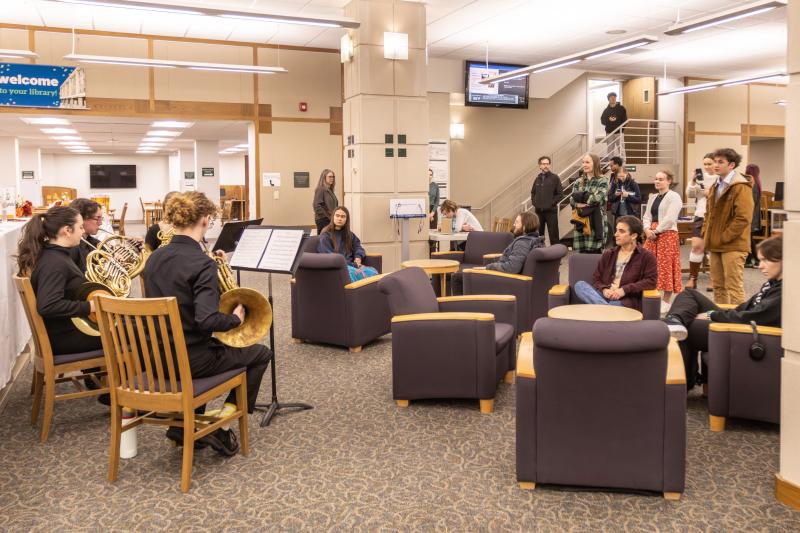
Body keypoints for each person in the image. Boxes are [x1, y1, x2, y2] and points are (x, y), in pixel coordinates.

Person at [144, 191, 272, 455]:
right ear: (203, 220)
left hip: (156, 359)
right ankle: (221, 426)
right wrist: (234, 319)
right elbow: (206, 320)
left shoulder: (154, 257)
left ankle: (182, 426)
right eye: (210, 220)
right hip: (189, 362)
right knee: (260, 354)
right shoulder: (201, 263)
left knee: (207, 345)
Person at [663, 235, 782, 389]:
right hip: (741, 324)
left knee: (687, 328)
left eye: (766, 260)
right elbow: (746, 308)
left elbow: (753, 317)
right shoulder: (773, 284)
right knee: (689, 295)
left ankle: (683, 383)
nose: (760, 266)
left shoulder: (782, 291)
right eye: (760, 260)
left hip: (745, 333)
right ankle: (674, 319)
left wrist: (712, 314)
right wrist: (718, 313)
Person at [16, 206, 101, 356]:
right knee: (142, 329)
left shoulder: (55, 255)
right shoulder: (55, 263)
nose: (83, 231)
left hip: (70, 330)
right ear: (67, 230)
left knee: (135, 323)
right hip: (67, 337)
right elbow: (48, 306)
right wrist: (90, 306)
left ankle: (101, 377)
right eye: (80, 227)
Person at [702, 148, 754, 305]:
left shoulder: (740, 186)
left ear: (731, 165)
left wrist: (724, 237)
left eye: (720, 162)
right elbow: (708, 213)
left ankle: (738, 326)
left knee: (733, 287)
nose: (715, 165)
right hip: (716, 243)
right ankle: (722, 320)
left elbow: (743, 218)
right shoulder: (715, 185)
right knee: (718, 287)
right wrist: (706, 234)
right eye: (715, 161)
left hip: (733, 245)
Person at [450, 211, 544, 295]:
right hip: (505, 276)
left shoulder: (522, 243)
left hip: (504, 279)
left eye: (517, 222)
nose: (514, 225)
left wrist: (489, 267)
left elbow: (512, 267)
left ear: (525, 226)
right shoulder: (534, 240)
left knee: (457, 277)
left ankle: (461, 307)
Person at [574, 215, 657, 309]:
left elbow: (651, 282)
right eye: (616, 230)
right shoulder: (609, 254)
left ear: (634, 235)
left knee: (615, 305)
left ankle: (603, 309)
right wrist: (604, 289)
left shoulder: (646, 256)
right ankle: (607, 310)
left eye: (621, 231)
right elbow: (596, 278)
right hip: (603, 296)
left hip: (624, 300)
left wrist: (624, 290)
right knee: (580, 285)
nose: (616, 234)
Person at [642, 169, 683, 308]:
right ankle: (651, 297)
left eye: (661, 179)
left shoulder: (674, 196)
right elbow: (647, 215)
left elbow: (670, 218)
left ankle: (665, 302)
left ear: (669, 181)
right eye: (656, 179)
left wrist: (656, 230)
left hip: (667, 234)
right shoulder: (653, 197)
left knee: (665, 266)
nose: (657, 181)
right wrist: (647, 229)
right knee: (646, 263)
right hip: (651, 234)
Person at [318, 206, 378, 282]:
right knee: (357, 275)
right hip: (338, 267)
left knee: (374, 273)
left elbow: (358, 246)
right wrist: (353, 265)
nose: (340, 219)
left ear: (346, 219)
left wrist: (358, 257)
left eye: (343, 216)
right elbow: (329, 256)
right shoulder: (325, 235)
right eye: (337, 216)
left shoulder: (349, 234)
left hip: (352, 266)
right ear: (333, 217)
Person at [685, 153, 718, 289]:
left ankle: (714, 279)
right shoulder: (699, 179)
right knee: (696, 247)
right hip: (701, 215)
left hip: (716, 216)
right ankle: (693, 278)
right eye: (705, 164)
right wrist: (692, 181)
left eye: (709, 163)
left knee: (714, 249)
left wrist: (711, 193)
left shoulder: (720, 178)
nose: (707, 166)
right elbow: (690, 194)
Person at [569, 153, 608, 254]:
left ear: (595, 163)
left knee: (595, 254)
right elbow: (572, 200)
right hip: (581, 219)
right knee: (582, 254)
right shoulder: (578, 181)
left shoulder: (603, 180)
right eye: (583, 162)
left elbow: (598, 198)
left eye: (587, 162)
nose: (584, 165)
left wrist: (581, 197)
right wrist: (578, 204)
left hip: (595, 220)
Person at [607, 156, 641, 244]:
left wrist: (627, 196)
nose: (620, 177)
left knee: (631, 236)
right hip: (619, 215)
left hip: (630, 214)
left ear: (627, 173)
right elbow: (610, 198)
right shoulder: (615, 183)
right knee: (618, 236)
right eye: (618, 176)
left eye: (622, 175)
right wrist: (616, 195)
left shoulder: (633, 184)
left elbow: (638, 199)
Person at [530, 155, 563, 245]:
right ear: (540, 166)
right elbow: (533, 193)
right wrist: (535, 203)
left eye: (548, 164)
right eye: (544, 164)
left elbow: (560, 194)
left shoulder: (555, 178)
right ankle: (540, 254)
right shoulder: (537, 179)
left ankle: (556, 255)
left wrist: (551, 204)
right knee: (538, 235)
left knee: (554, 235)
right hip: (539, 212)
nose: (546, 166)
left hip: (551, 211)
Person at [69, 198, 103, 272]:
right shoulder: (72, 250)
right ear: (81, 219)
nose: (100, 223)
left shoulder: (95, 242)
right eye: (97, 218)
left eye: (101, 218)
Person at [745, 163, 763, 268]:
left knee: (749, 239)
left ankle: (756, 260)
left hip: (751, 215)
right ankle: (750, 260)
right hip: (752, 214)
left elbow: (752, 200)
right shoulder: (756, 182)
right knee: (748, 238)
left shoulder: (753, 184)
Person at [313, 169, 338, 235]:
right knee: (324, 241)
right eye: (330, 177)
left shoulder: (330, 190)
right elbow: (317, 206)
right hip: (323, 220)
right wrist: (328, 217)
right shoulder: (320, 189)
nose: (332, 178)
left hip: (330, 220)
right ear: (324, 178)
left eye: (333, 177)